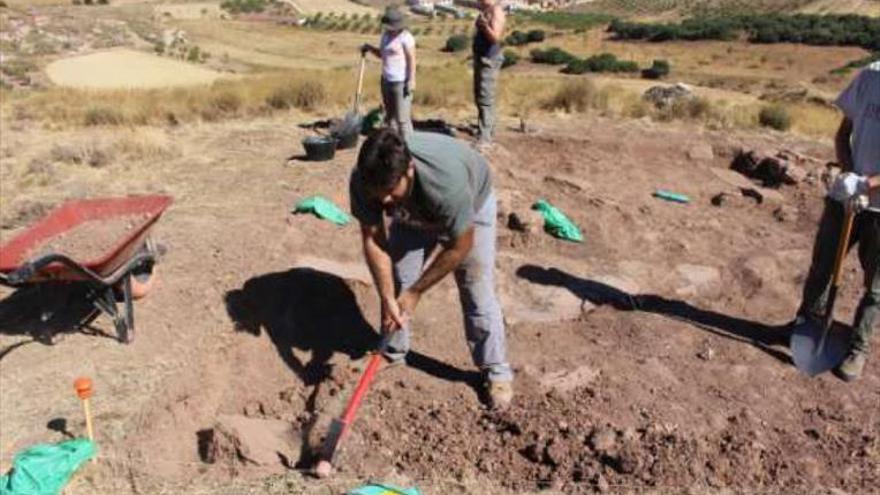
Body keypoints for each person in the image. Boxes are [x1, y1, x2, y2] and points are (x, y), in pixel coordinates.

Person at [349, 128, 514, 408]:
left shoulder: (446, 182)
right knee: (397, 277)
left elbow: (459, 246)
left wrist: (416, 292)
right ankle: (392, 350)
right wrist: (390, 295)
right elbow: (374, 239)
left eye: (390, 192)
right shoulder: (364, 180)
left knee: (476, 287)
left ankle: (496, 369)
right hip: (415, 213)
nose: (384, 202)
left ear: (409, 170)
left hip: (471, 202)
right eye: (378, 195)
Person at [795, 62, 880, 382]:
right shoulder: (871, 76)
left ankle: (858, 348)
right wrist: (849, 176)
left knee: (876, 288)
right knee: (823, 267)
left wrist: (868, 185)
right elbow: (844, 133)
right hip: (844, 197)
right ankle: (807, 325)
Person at [361, 7, 416, 140]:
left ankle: (410, 148)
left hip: (401, 82)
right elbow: (382, 54)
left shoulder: (406, 38)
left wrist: (411, 80)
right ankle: (393, 147)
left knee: (402, 119)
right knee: (390, 117)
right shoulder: (385, 36)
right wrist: (369, 48)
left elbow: (412, 60)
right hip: (386, 80)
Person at [472, 0, 506, 149]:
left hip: (489, 59)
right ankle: (486, 129)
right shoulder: (487, 9)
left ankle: (485, 137)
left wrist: (484, 26)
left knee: (486, 97)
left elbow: (495, 38)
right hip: (481, 57)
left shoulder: (496, 12)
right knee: (480, 95)